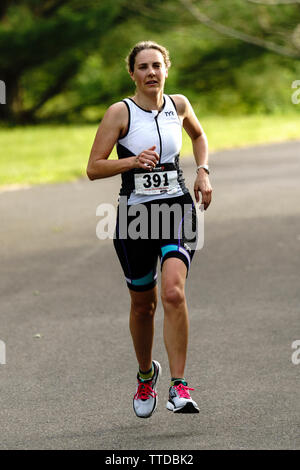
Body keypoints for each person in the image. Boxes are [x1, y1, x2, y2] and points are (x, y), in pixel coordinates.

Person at [87, 41, 212, 417]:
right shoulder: (119, 113)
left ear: (166, 70)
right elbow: (93, 167)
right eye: (143, 67)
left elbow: (199, 137)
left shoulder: (180, 105)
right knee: (144, 305)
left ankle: (179, 386)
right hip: (135, 216)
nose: (151, 73)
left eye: (157, 65)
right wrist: (131, 162)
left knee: (173, 292)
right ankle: (146, 375)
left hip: (176, 208)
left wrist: (203, 171)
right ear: (132, 74)